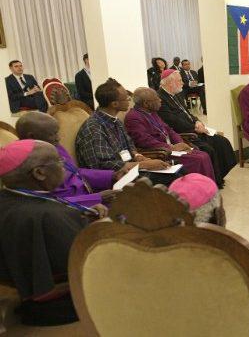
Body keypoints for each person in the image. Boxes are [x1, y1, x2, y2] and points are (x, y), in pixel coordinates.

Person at [0, 140, 102, 326]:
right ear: (40, 173)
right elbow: (87, 263)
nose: (64, 167)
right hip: (63, 305)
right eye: (59, 161)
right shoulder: (50, 217)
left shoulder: (11, 198)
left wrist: (81, 215)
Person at [75, 78, 180, 187]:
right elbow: (103, 166)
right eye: (126, 98)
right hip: (115, 179)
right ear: (114, 104)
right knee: (173, 177)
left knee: (176, 169)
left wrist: (139, 156)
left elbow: (129, 144)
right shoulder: (94, 129)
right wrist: (143, 165)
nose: (130, 100)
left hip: (131, 169)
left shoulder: (115, 120)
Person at [16, 112, 124, 210]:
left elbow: (74, 171)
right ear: (31, 136)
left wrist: (111, 176)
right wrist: (96, 198)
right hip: (76, 208)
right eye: (52, 134)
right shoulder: (27, 163)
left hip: (90, 194)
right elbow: (48, 203)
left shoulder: (53, 146)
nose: (58, 138)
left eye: (57, 133)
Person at [157, 70, 236, 185]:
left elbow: (187, 113)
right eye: (180, 80)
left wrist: (197, 121)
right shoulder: (161, 98)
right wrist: (194, 127)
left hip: (194, 129)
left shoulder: (176, 94)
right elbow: (173, 121)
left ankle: (218, 175)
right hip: (185, 134)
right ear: (170, 83)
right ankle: (213, 181)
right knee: (209, 149)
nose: (183, 83)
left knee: (222, 142)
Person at [125, 87, 216, 182]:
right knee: (198, 159)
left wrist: (180, 143)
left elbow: (168, 129)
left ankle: (209, 189)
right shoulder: (133, 117)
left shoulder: (152, 112)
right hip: (160, 153)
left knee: (204, 154)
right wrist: (171, 147)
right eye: (157, 99)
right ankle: (196, 192)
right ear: (146, 103)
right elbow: (145, 141)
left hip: (171, 148)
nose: (160, 100)